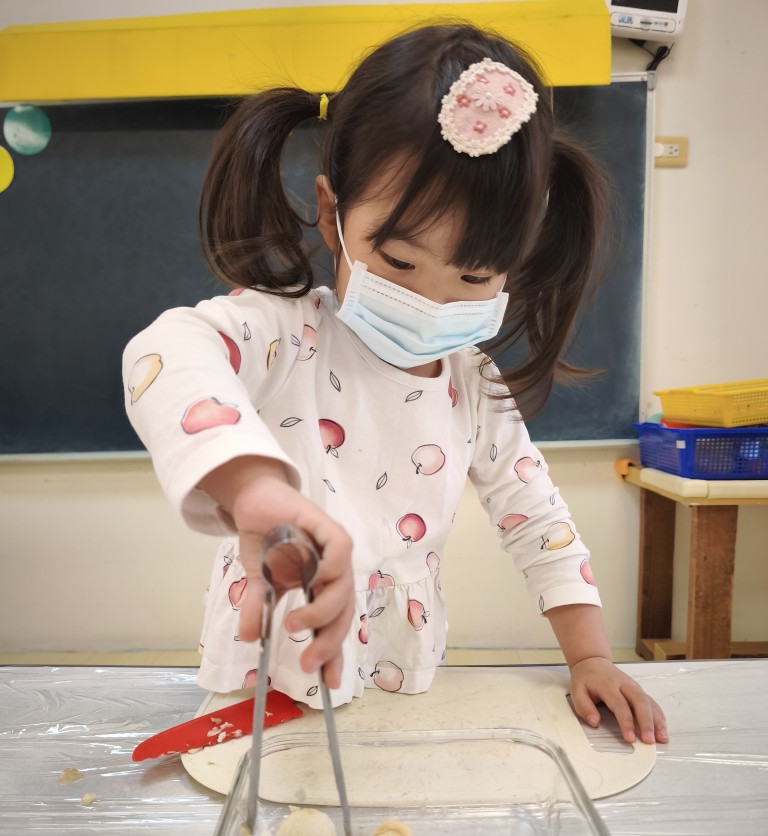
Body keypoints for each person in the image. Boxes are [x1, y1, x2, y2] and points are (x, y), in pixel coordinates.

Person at [123, 22, 667, 745]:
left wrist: (590, 656)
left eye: (474, 276)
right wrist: (252, 488)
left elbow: (538, 520)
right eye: (400, 263)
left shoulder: (473, 380)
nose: (433, 302)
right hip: (272, 652)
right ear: (332, 213)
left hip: (399, 665)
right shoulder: (284, 333)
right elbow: (163, 351)